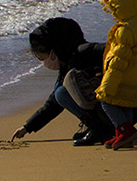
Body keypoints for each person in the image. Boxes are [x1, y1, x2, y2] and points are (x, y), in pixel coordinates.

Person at [11, 17, 113, 146]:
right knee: (61, 92)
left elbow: (111, 49)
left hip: (118, 111)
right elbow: (54, 104)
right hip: (114, 112)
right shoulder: (68, 62)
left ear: (54, 50)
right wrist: (28, 126)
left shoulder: (82, 52)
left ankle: (100, 129)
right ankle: (98, 126)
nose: (43, 62)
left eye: (42, 57)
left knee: (62, 93)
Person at [94, 0, 137, 150]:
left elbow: (119, 62)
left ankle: (125, 130)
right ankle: (122, 135)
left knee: (107, 101)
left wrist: (108, 85)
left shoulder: (125, 30)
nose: (113, 11)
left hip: (126, 75)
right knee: (126, 103)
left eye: (114, 8)